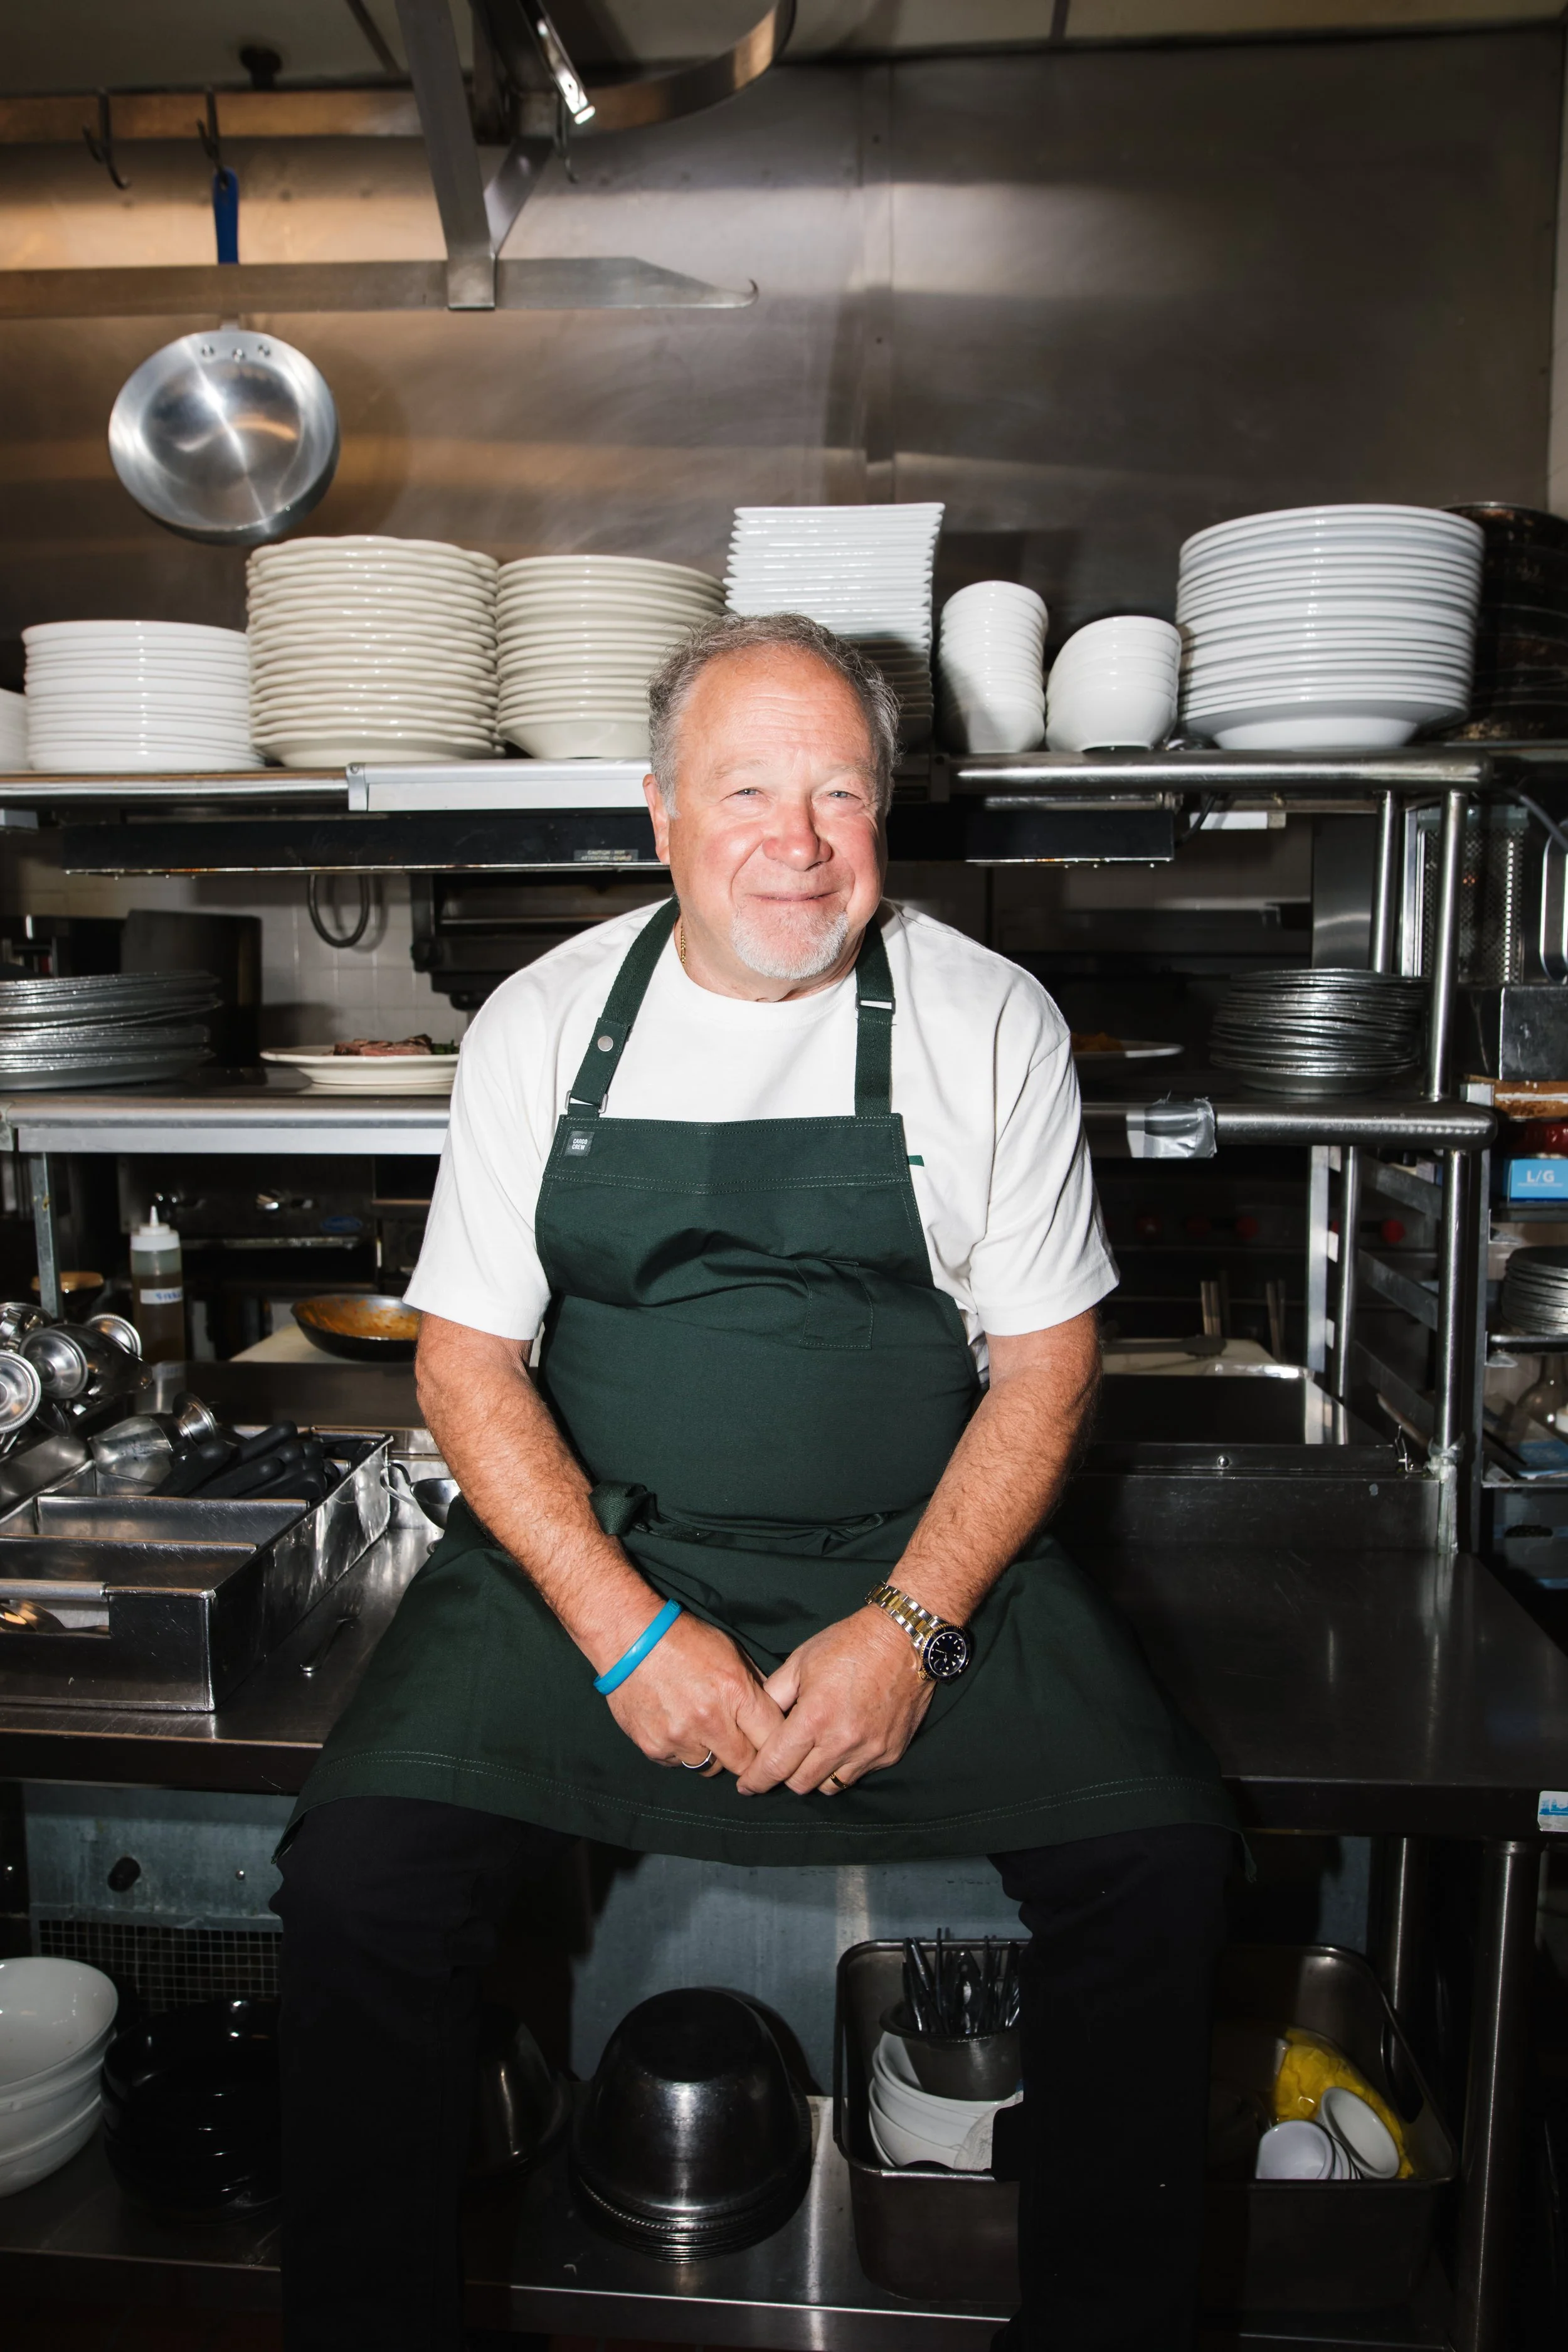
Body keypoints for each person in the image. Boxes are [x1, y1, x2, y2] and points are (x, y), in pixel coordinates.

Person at [273, 611, 1234, 2352]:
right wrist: (624, 1632)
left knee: (1157, 1867)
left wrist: (912, 1627)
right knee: (361, 1881)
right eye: (745, 793)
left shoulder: (984, 1017)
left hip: (913, 1550)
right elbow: (466, 1361)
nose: (796, 845)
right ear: (656, 814)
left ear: (887, 815)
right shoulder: (543, 1019)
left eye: (840, 795)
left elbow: (1044, 1363)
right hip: (598, 1552)